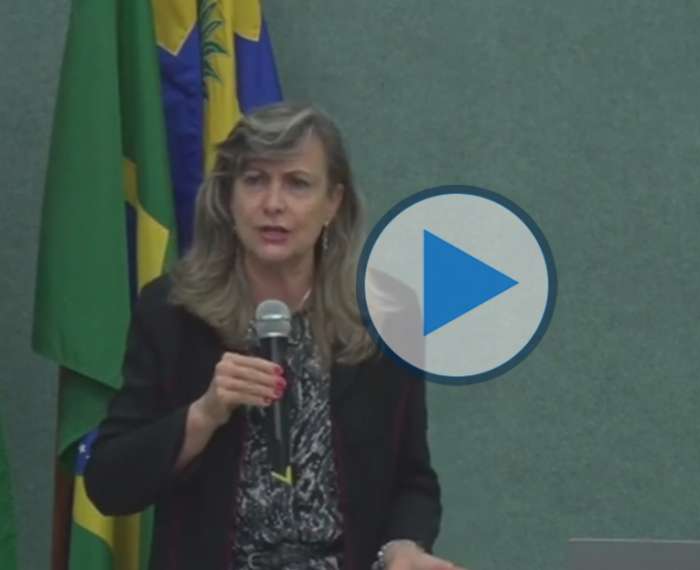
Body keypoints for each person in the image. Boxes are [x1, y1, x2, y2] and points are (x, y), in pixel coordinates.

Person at [84, 102, 463, 570]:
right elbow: (109, 484)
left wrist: (401, 549)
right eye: (255, 181)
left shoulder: (385, 315)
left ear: (333, 203)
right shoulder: (173, 311)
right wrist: (205, 413)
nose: (273, 204)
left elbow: (412, 479)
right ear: (228, 197)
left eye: (298, 184)